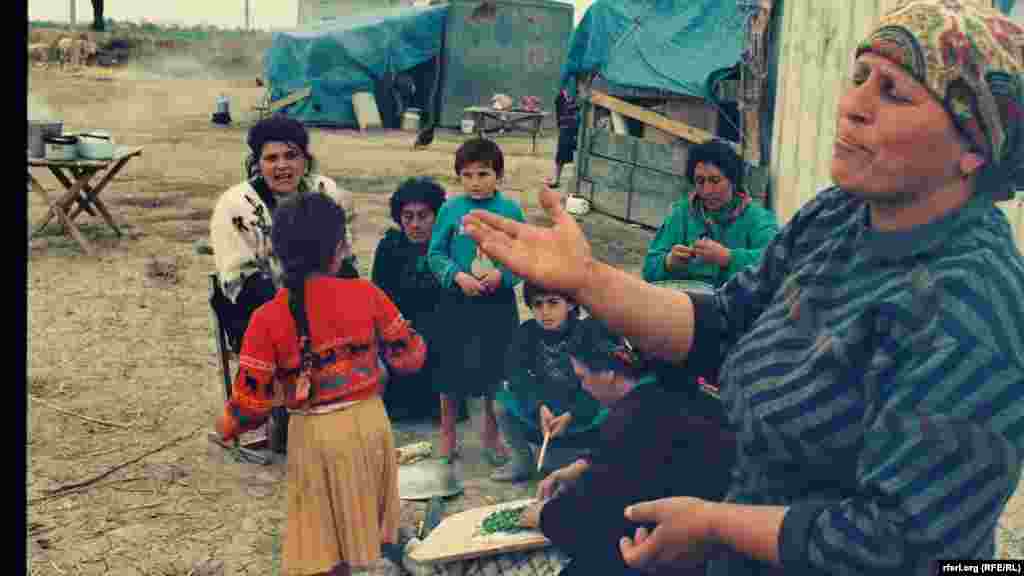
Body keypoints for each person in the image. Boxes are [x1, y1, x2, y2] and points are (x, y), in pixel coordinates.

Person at [461, 1, 1024, 572]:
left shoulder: (970, 312)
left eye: (894, 93)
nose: (853, 106)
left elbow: (901, 545)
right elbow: (728, 324)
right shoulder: (840, 216)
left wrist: (714, 525)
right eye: (859, 79)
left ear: (975, 148)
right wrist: (588, 280)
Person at [215, 191, 426, 576]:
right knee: (359, 523)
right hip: (370, 424)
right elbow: (411, 357)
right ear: (339, 249)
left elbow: (251, 407)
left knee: (321, 541)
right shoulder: (367, 294)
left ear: (275, 254)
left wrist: (226, 425)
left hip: (315, 436)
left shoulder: (267, 319)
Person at [210, 115, 360, 452]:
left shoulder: (326, 192)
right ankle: (284, 416)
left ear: (306, 160)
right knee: (286, 335)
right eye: (271, 158)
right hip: (257, 303)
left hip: (324, 298)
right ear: (255, 163)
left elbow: (344, 259)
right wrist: (294, 313)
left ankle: (334, 412)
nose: (282, 166)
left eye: (291, 156)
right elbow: (239, 277)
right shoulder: (236, 205)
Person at [516, 349, 735, 576]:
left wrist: (544, 515)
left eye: (582, 378)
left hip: (682, 555)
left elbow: (593, 524)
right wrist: (583, 465)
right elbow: (636, 458)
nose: (583, 388)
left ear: (609, 372)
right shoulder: (672, 388)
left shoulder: (630, 417)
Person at [427, 138, 526, 464]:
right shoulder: (450, 210)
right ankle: (447, 433)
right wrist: (458, 276)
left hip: (497, 304)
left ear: (498, 175)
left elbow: (522, 255)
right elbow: (436, 253)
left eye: (483, 174)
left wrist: (502, 275)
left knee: (494, 370)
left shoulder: (510, 212)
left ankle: (491, 434)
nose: (475, 183)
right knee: (450, 370)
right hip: (457, 301)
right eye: (467, 175)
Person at [489, 282, 615, 482]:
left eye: (553, 303)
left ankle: (596, 461)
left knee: (614, 406)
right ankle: (523, 460)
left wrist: (572, 414)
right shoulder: (527, 332)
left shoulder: (587, 332)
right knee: (501, 400)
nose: (545, 312)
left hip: (583, 413)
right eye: (538, 304)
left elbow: (600, 382)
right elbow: (516, 374)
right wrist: (538, 407)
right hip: (544, 413)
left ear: (571, 304)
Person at [371, 177, 468, 423]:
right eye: (408, 216)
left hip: (441, 340)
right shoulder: (388, 248)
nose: (415, 224)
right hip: (400, 337)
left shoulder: (451, 249)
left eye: (423, 216)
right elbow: (378, 301)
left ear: (437, 217)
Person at [642, 139, 778, 288]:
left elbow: (776, 264)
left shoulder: (758, 218)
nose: (707, 190)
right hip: (686, 303)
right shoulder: (681, 214)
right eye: (700, 181)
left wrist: (728, 258)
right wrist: (668, 262)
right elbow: (649, 269)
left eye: (715, 180)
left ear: (733, 181)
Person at [550, 88, 580, 189]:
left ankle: (577, 181)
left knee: (579, 156)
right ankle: (557, 180)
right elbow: (559, 114)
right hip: (566, 128)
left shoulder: (580, 94)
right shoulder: (561, 97)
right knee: (560, 156)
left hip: (579, 129)